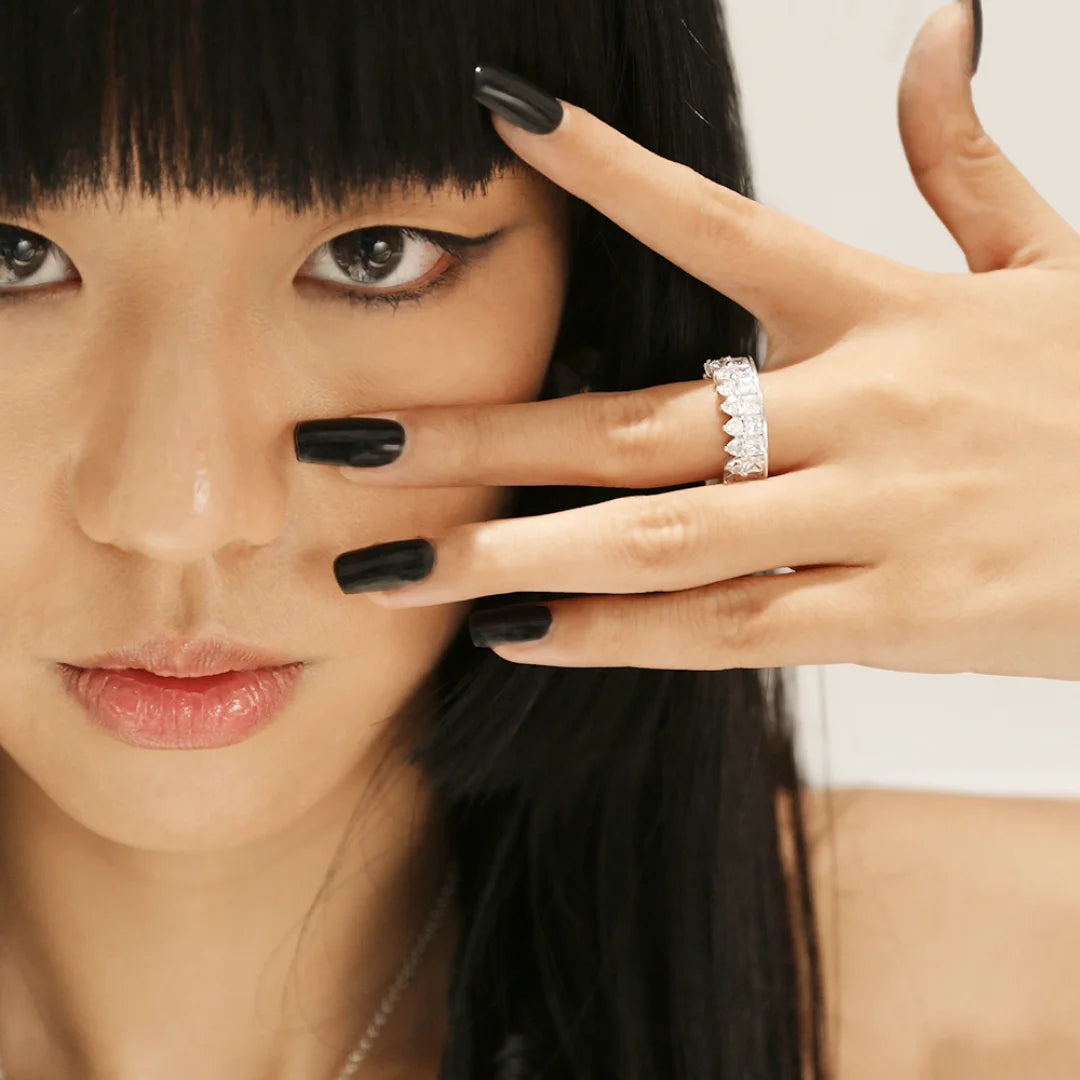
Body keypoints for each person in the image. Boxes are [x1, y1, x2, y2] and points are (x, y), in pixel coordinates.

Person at [4, 0, 1077, 1078]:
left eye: (373, 258)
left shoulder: (1001, 1008)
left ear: (590, 300)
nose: (178, 516)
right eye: (14, 257)